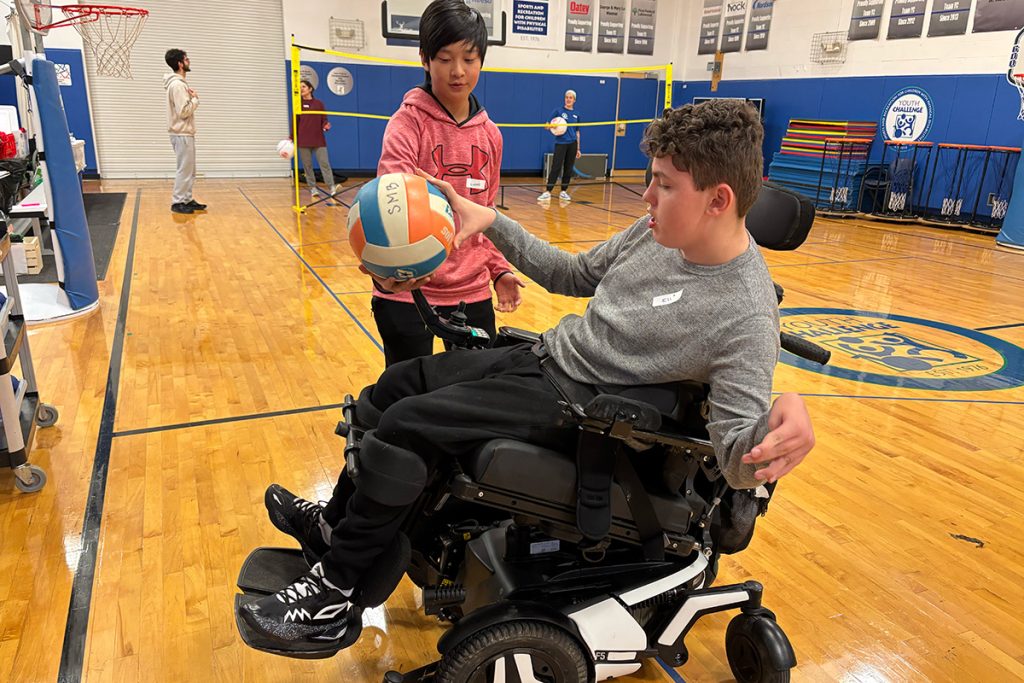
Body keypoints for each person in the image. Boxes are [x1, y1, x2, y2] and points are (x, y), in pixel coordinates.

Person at [240, 100, 817, 646]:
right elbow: (569, 272)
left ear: (718, 200)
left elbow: (739, 465)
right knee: (391, 389)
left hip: (582, 410)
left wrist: (783, 411)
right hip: (545, 358)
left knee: (405, 425)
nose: (647, 195)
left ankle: (336, 593)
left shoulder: (745, 314)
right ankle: (337, 526)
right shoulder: (658, 231)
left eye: (664, 184)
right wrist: (486, 220)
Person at [369, 0, 526, 367]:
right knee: (409, 400)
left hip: (470, 293)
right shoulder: (407, 125)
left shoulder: (491, 136)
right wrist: (385, 268)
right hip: (408, 293)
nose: (458, 71)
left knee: (470, 403)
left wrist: (498, 268)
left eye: (469, 59)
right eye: (444, 58)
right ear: (425, 59)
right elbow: (388, 208)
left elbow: (486, 214)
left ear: (482, 61)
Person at [163, 49, 206, 215]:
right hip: (181, 133)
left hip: (184, 133)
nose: (189, 61)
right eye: (186, 59)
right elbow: (183, 111)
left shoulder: (178, 84)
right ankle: (178, 201)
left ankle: (187, 199)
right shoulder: (178, 85)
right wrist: (195, 100)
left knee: (190, 169)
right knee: (184, 169)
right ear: (180, 63)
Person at [295, 79, 339, 200]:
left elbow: (324, 119)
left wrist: (325, 125)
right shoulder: (297, 103)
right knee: (307, 166)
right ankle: (313, 188)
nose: (301, 89)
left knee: (324, 164)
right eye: (299, 87)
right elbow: (295, 122)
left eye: (303, 86)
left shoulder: (319, 104)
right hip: (303, 140)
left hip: (318, 139)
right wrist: (291, 138)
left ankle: (332, 187)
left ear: (310, 89)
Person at [538, 89, 582, 202]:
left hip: (572, 144)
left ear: (574, 100)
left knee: (568, 168)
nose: (568, 99)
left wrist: (578, 148)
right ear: (564, 99)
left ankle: (564, 191)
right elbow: (546, 126)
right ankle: (548, 191)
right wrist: (552, 126)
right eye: (567, 97)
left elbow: (577, 132)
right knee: (556, 167)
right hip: (561, 143)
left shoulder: (577, 114)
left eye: (571, 97)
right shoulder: (557, 111)